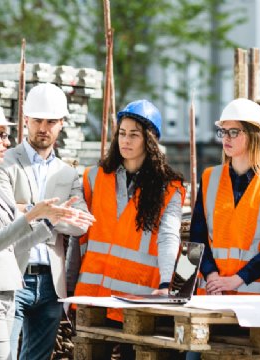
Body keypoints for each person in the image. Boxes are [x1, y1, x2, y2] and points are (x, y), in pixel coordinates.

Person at [0, 98, 93, 360]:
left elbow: (13, 243)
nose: (7, 141)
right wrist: (32, 214)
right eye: (0, 134)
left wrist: (49, 221)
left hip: (0, 295)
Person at [0, 83, 91, 360]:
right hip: (12, 274)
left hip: (50, 281)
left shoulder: (68, 174)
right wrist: (49, 213)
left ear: (61, 124)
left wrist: (30, 211)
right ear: (26, 121)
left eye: (51, 121)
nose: (43, 128)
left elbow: (80, 224)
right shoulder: (4, 163)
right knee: (3, 354)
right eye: (37, 120)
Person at [73, 100, 185, 325]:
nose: (125, 140)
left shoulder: (168, 188)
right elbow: (77, 237)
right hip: (92, 296)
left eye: (134, 134)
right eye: (122, 133)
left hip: (137, 298)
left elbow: (168, 237)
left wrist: (165, 284)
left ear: (150, 139)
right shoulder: (93, 177)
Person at [191, 98, 260, 295]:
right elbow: (197, 237)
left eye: (234, 132)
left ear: (254, 135)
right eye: (223, 131)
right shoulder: (209, 178)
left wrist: (237, 280)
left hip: (253, 300)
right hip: (211, 294)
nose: (226, 138)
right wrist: (211, 274)